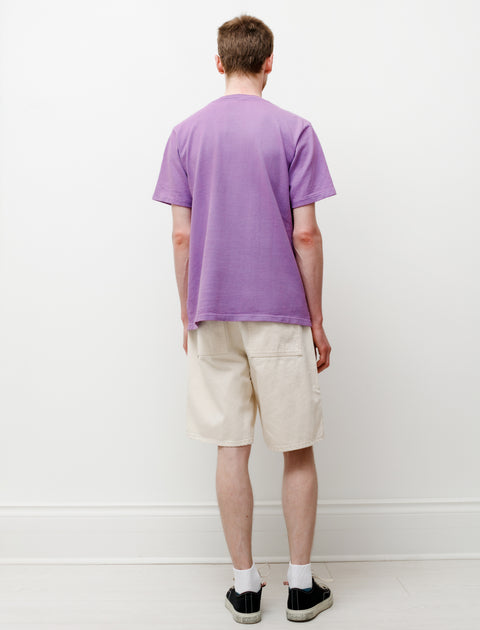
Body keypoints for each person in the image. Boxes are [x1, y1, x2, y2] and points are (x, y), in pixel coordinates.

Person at [152, 13, 336, 624]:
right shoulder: (295, 130)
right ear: (268, 63)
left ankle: (245, 586)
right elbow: (305, 234)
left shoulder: (185, 134)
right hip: (280, 311)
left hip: (211, 311)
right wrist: (316, 319)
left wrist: (189, 311)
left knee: (231, 448)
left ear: (219, 62)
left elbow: (181, 237)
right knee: (296, 448)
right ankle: (302, 586)